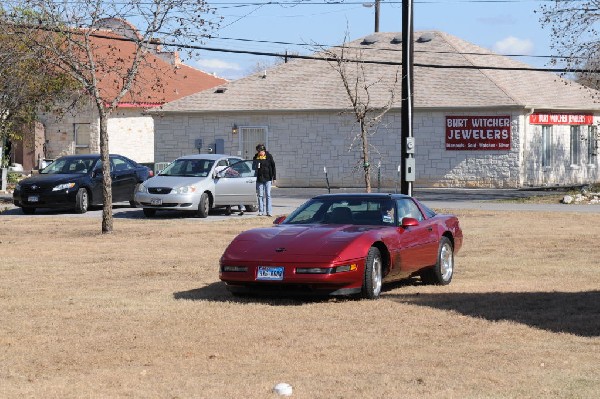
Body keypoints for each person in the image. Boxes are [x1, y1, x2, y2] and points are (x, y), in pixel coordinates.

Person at [252, 143, 276, 216]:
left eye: (260, 151)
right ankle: (261, 211)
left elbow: (273, 167)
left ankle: (269, 212)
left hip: (268, 178)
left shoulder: (269, 156)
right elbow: (253, 167)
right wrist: (256, 164)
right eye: (258, 152)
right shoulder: (256, 157)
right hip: (259, 179)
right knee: (260, 195)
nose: (259, 153)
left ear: (263, 151)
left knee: (268, 195)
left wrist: (274, 177)